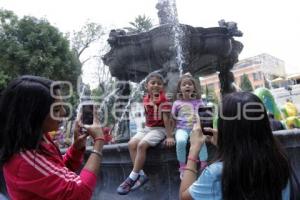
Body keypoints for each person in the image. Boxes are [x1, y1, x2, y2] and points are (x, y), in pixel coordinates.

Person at [0, 75, 104, 200]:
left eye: (61, 106)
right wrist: (99, 142)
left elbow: (56, 173)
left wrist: (76, 148)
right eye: (56, 110)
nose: (64, 113)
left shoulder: (39, 138)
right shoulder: (26, 159)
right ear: (33, 115)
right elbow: (79, 193)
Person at [179, 92, 291, 200]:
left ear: (224, 127)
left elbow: (184, 197)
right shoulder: (280, 160)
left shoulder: (216, 173)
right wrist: (225, 146)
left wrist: (194, 149)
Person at [116, 72, 175, 195]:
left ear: (162, 87)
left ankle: (131, 178)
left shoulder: (163, 99)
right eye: (152, 83)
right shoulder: (146, 98)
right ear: (146, 86)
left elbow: (166, 119)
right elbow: (148, 116)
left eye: (159, 83)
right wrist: (144, 129)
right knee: (132, 143)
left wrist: (169, 136)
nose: (156, 85)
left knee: (142, 145)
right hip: (148, 128)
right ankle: (141, 174)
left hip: (160, 129)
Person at [171, 74, 208, 179]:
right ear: (180, 89)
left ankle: (204, 163)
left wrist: (206, 132)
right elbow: (173, 118)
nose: (187, 86)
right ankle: (182, 166)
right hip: (181, 129)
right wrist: (170, 134)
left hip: (195, 128)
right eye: (184, 85)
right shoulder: (177, 103)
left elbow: (205, 116)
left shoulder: (199, 101)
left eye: (190, 84)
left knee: (201, 141)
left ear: (194, 88)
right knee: (181, 141)